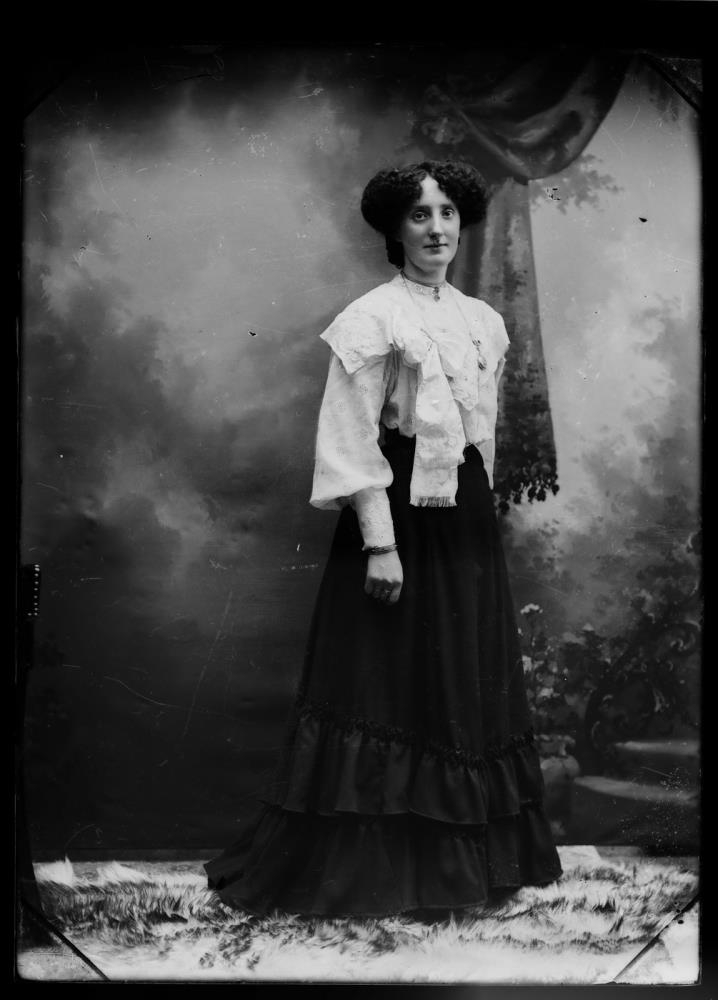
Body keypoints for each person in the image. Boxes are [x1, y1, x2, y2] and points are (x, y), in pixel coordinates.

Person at [205, 159, 562, 918]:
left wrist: (475, 517)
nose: (436, 229)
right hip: (396, 514)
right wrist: (380, 542)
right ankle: (375, 871)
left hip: (462, 521)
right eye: (419, 215)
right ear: (395, 229)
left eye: (447, 214)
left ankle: (464, 868)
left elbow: (482, 434)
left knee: (459, 679)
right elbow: (347, 437)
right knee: (385, 680)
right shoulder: (372, 318)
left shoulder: (483, 322)